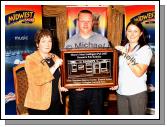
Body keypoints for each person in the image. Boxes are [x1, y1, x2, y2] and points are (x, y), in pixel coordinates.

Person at [64, 9, 110, 115]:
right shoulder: (69, 43)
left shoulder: (103, 41)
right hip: (77, 90)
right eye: (82, 21)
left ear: (93, 22)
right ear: (78, 22)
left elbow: (108, 66)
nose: (85, 24)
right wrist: (73, 84)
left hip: (97, 90)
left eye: (88, 21)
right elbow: (67, 68)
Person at [110, 21, 153, 115]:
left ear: (141, 33)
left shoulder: (145, 50)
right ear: (126, 32)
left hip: (137, 93)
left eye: (135, 31)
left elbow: (139, 72)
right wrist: (115, 82)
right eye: (129, 31)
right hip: (121, 92)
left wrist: (125, 54)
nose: (132, 34)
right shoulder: (125, 47)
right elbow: (121, 70)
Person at [24, 29, 68, 115]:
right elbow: (39, 79)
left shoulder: (54, 57)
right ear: (37, 44)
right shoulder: (31, 59)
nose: (47, 44)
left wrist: (61, 86)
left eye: (49, 41)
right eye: (43, 41)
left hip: (56, 102)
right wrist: (55, 66)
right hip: (38, 105)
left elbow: (57, 78)